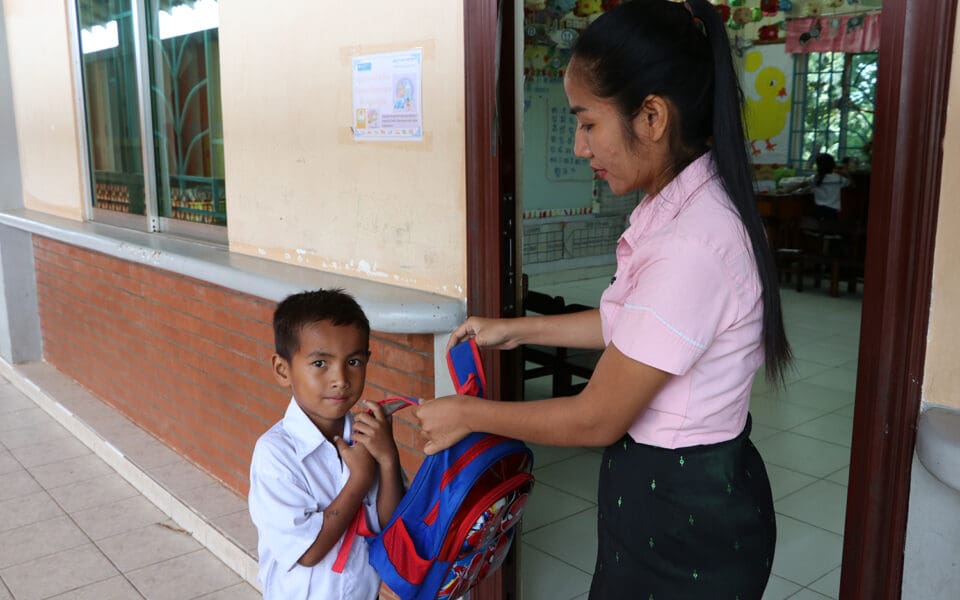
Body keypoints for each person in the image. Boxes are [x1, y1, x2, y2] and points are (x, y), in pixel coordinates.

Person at [414, 1, 790, 598]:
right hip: (668, 494)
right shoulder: (679, 209)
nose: (580, 146)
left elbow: (597, 416)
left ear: (651, 116)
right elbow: (629, 324)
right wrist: (513, 330)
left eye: (587, 123)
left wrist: (469, 417)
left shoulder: (692, 244)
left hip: (685, 516)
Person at [248, 289, 404, 600]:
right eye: (320, 363)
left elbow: (393, 524)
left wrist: (388, 459)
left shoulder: (368, 436)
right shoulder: (276, 454)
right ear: (283, 370)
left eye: (354, 361)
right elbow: (307, 552)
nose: (341, 379)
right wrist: (359, 479)